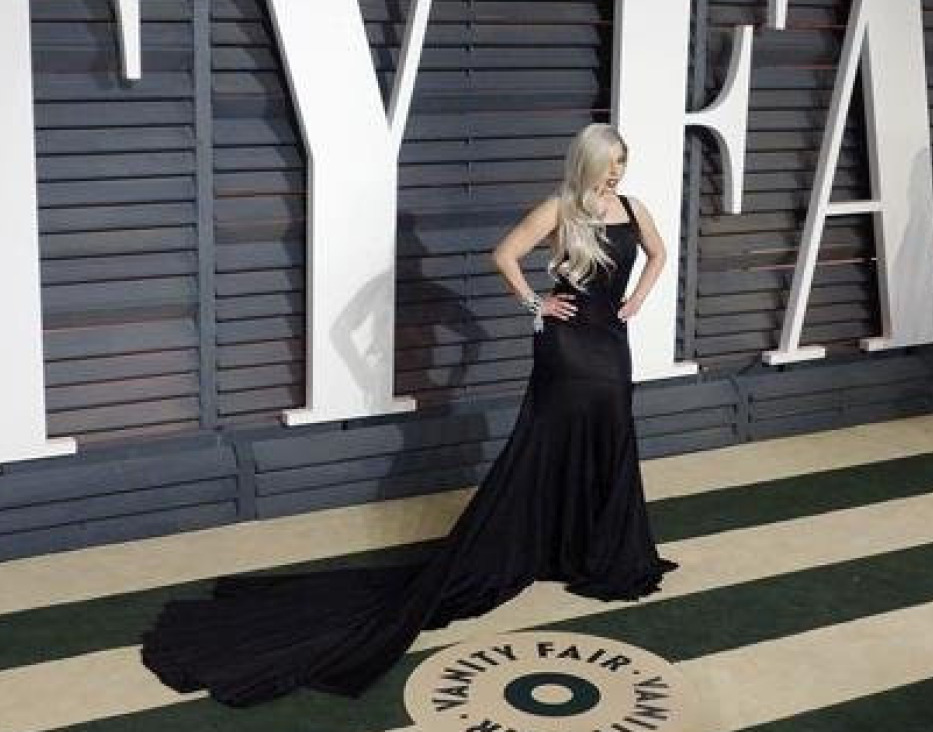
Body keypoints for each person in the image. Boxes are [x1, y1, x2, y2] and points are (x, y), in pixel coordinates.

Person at [139, 122, 680, 708]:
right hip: (567, 348)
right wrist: (536, 303)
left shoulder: (633, 208)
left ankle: (591, 547)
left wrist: (636, 300)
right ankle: (553, 544)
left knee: (611, 433)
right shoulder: (559, 208)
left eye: (622, 161)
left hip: (610, 342)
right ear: (587, 162)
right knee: (549, 443)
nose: (617, 172)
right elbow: (504, 255)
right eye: (609, 162)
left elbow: (658, 255)